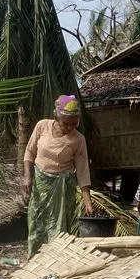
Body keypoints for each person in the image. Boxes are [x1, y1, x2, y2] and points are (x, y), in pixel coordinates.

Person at [22, 95, 93, 257]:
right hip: (41, 185)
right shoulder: (42, 126)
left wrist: (87, 202)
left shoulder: (78, 140)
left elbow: (82, 171)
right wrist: (27, 176)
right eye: (66, 123)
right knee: (37, 222)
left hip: (63, 189)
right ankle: (35, 258)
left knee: (60, 226)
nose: (70, 127)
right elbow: (29, 152)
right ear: (56, 117)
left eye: (74, 123)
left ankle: (56, 259)